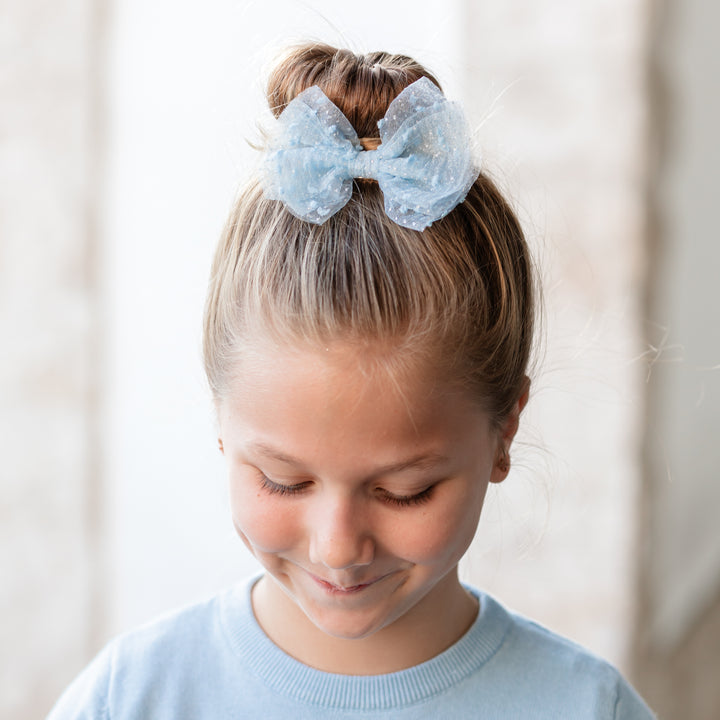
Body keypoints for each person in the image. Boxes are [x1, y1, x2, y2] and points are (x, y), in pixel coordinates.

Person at [48, 43, 655, 718]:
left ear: (505, 427)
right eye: (283, 480)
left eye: (405, 492)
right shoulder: (132, 698)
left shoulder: (585, 707)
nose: (338, 546)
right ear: (221, 419)